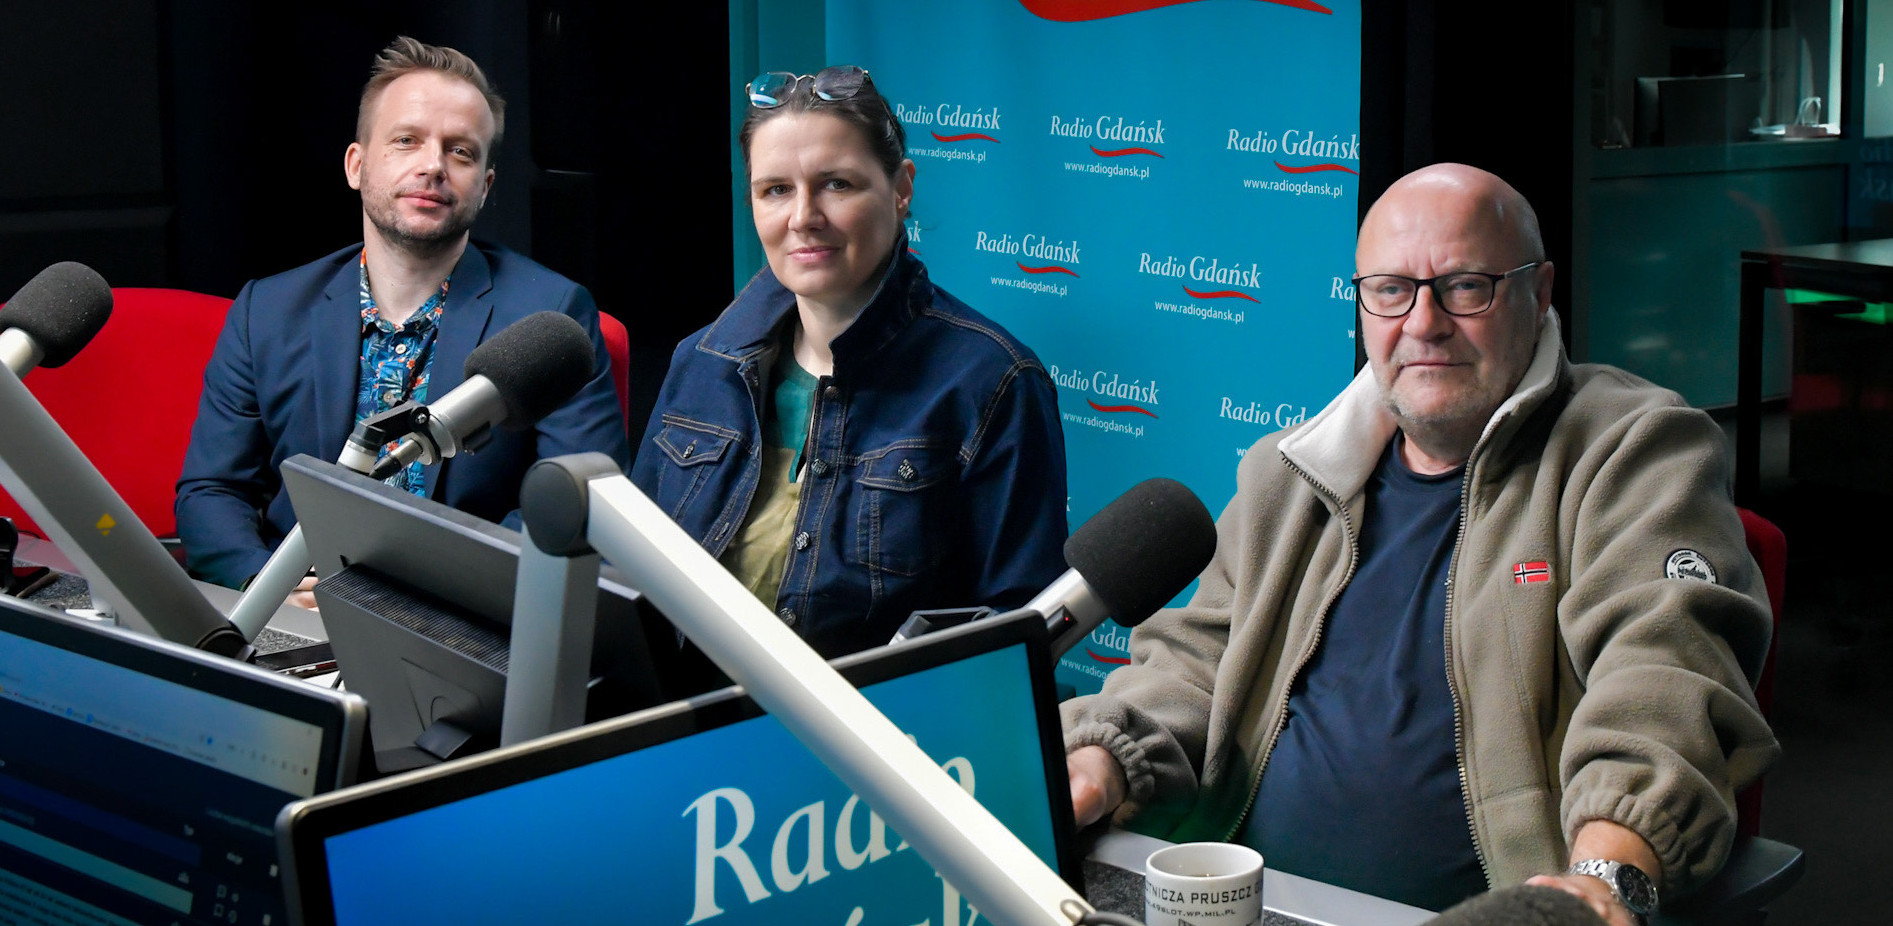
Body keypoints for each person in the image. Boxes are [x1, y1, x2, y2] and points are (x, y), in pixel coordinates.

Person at [1061, 164, 1778, 923]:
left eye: (1466, 286)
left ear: (1538, 294)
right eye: (1391, 289)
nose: (1424, 322)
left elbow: (1662, 680)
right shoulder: (1285, 473)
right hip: (1251, 906)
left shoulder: (1633, 452)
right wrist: (1104, 755)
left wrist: (1600, 881)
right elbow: (1194, 664)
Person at [630, 66, 1068, 661]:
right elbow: (630, 570)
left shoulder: (996, 383)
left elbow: (1013, 637)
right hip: (691, 733)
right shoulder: (702, 360)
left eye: (836, 184)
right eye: (775, 189)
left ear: (901, 188)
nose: (803, 216)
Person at [177, 37, 629, 603]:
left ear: (485, 187)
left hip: (460, 619)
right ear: (357, 165)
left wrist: (438, 596)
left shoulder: (553, 316)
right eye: (407, 141)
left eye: (461, 152)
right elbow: (211, 492)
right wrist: (265, 586)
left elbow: (579, 509)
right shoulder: (264, 311)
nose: (433, 165)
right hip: (294, 615)